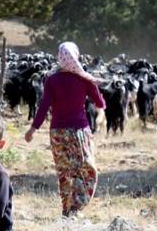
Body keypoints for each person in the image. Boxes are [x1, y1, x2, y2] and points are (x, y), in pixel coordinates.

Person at [25, 41, 106, 217]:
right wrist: (92, 83)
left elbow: (44, 105)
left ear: (60, 58)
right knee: (85, 168)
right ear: (76, 56)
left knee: (64, 170)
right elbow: (100, 103)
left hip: (57, 133)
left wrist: (33, 129)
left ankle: (66, 208)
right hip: (79, 132)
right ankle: (76, 207)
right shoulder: (83, 78)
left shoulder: (52, 79)